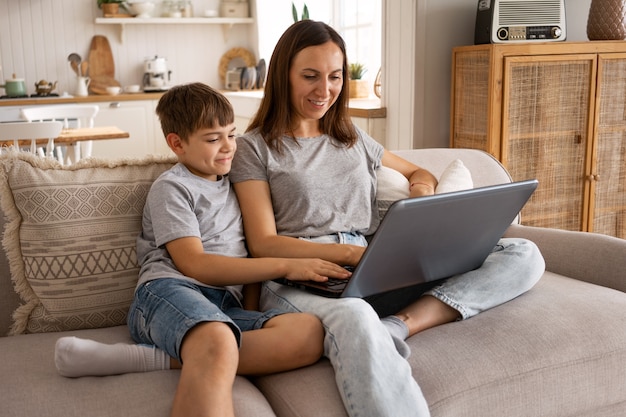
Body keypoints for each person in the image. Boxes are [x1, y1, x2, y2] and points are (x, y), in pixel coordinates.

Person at [227, 20, 546, 417]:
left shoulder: (351, 137)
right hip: (300, 274)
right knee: (356, 315)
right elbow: (262, 242)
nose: (324, 90)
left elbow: (419, 173)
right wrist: (347, 255)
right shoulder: (253, 149)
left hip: (372, 262)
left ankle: (399, 325)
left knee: (523, 253)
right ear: (283, 76)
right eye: (309, 76)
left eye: (335, 76)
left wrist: (422, 204)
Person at [54, 82, 352, 417]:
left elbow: (249, 255)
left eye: (231, 134)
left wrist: (252, 310)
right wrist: (284, 266)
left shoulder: (236, 185)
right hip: (168, 291)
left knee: (308, 334)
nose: (227, 147)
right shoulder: (173, 188)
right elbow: (195, 264)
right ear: (177, 143)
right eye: (213, 139)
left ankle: (148, 358)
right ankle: (202, 350)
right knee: (220, 339)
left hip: (225, 305)